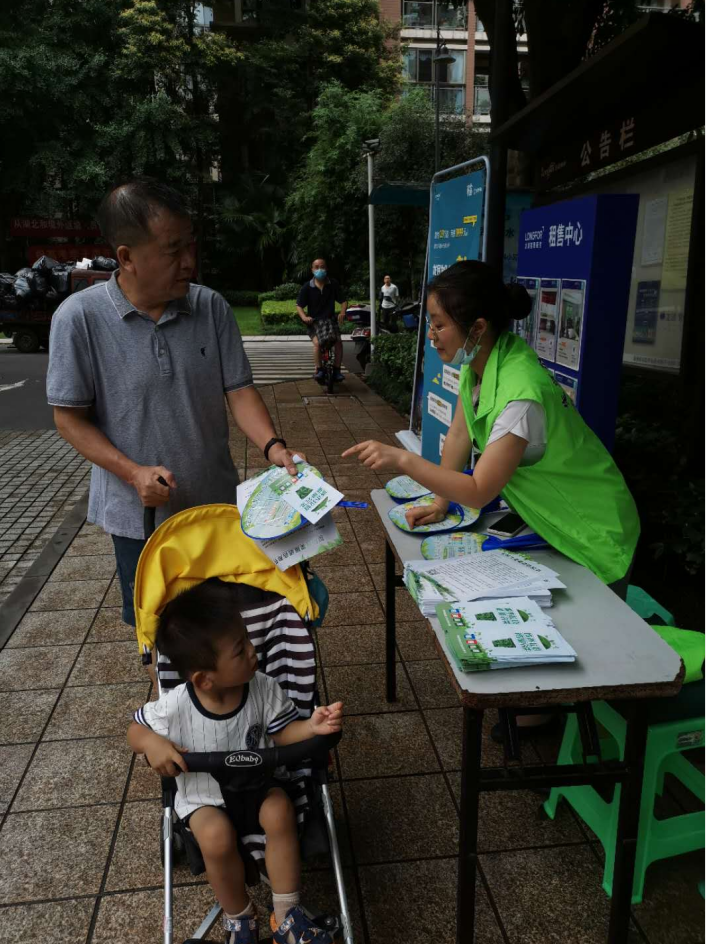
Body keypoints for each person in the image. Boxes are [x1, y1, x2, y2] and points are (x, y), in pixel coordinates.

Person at [343, 261, 640, 727]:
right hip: (554, 518)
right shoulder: (482, 362)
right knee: (534, 672)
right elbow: (460, 435)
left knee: (588, 662)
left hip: (594, 524)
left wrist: (405, 461)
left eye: (440, 324)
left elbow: (480, 490)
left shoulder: (520, 392)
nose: (433, 334)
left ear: (476, 327)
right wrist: (439, 500)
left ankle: (566, 718)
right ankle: (543, 710)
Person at [46, 178, 303, 639]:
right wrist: (131, 472)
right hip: (138, 517)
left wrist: (274, 448)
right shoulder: (79, 319)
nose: (189, 262)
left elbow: (239, 390)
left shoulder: (210, 307)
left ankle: (227, 710)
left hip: (217, 506)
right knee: (159, 632)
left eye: (191, 245)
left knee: (225, 625)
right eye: (172, 250)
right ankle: (171, 710)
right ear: (126, 257)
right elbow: (68, 418)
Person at [128, 578, 343, 944]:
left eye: (248, 640)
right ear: (204, 679)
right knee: (214, 836)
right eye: (240, 650)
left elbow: (281, 734)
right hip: (204, 797)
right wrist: (152, 743)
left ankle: (287, 914)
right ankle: (239, 917)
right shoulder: (177, 704)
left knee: (280, 812)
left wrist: (310, 727)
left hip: (258, 785)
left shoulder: (262, 687)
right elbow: (134, 729)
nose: (253, 652)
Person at [296, 257, 347, 382]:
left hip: (330, 321)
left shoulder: (333, 284)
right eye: (317, 267)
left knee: (338, 343)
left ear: (326, 268)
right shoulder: (307, 287)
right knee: (318, 344)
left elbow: (343, 301)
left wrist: (342, 312)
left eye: (322, 267)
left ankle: (337, 371)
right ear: (312, 270)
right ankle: (319, 370)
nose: (320, 269)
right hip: (314, 323)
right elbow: (299, 306)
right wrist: (304, 317)